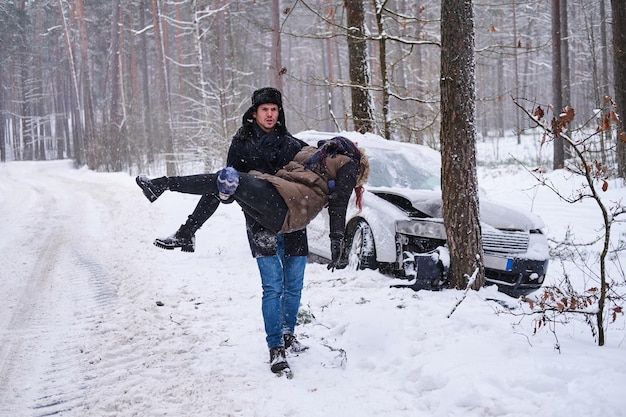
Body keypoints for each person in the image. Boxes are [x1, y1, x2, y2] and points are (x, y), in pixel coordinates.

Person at [137, 136, 369, 376]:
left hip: (288, 207)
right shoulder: (319, 152)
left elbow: (339, 201)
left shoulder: (339, 160)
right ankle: (184, 225)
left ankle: (164, 188)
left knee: (228, 180)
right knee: (226, 182)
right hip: (281, 199)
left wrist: (336, 237)